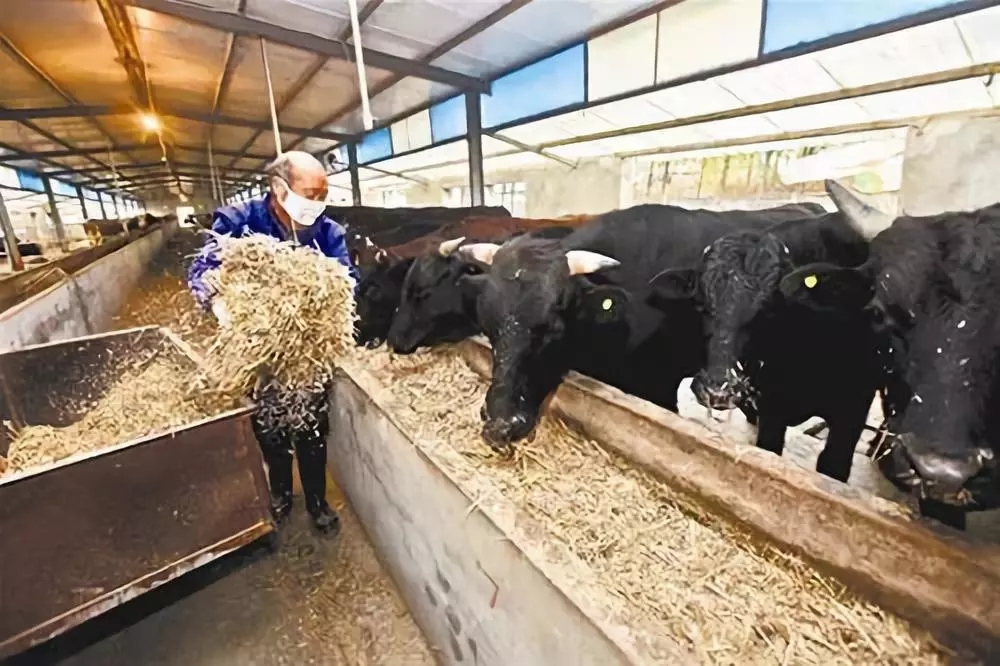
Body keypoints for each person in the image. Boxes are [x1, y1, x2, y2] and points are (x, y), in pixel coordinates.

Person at [187, 150, 359, 535]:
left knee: (312, 429)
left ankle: (316, 501)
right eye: (310, 194)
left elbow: (347, 280)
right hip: (259, 352)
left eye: (323, 194)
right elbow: (202, 269)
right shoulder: (239, 222)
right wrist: (216, 298)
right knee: (269, 429)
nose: (317, 203)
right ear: (279, 188)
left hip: (307, 353)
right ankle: (280, 494)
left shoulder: (328, 233)